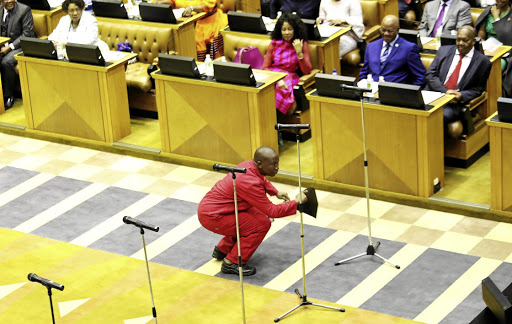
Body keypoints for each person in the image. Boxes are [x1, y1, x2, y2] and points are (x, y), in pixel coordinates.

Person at [197, 146, 308, 276]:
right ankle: (232, 263)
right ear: (260, 163)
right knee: (261, 224)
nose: (277, 167)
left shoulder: (248, 165)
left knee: (255, 215)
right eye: (274, 164)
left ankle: (223, 249)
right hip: (213, 217)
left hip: (220, 210)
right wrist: (296, 203)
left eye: (277, 163)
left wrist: (275, 192)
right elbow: (273, 211)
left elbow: (261, 179)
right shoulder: (249, 182)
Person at [425, 26, 492, 138]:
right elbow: (430, 75)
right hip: (434, 95)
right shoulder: (444, 51)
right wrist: (445, 92)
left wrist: (461, 95)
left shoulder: (483, 62)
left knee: (437, 116)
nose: (460, 43)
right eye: (458, 39)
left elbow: (478, 89)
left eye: (465, 40)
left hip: (454, 104)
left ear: (473, 41)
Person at [262, 13, 312, 117]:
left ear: (295, 30)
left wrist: (299, 53)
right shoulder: (274, 43)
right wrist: (277, 80)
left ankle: (275, 120)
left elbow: (307, 71)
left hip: (290, 75)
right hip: (273, 74)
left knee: (283, 89)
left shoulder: (301, 43)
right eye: (283, 29)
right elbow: (265, 67)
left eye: (290, 29)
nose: (287, 32)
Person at [359, 15, 425, 86]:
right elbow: (364, 73)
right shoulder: (370, 46)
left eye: (390, 31)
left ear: (397, 30)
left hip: (395, 93)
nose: (386, 33)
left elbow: (420, 76)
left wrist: (409, 93)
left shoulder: (409, 48)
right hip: (371, 91)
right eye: (383, 30)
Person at [155, 0, 227, 61]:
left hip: (207, 21)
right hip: (182, 21)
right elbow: (172, 2)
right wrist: (161, 3)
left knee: (196, 39)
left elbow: (207, 6)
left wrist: (192, 8)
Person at [0, 0, 34, 109]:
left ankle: (8, 96)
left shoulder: (24, 10)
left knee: (6, 62)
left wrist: (9, 47)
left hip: (21, 45)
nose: (10, 1)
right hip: (3, 44)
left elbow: (27, 34)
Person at [475, 0, 512, 97]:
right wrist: (483, 46)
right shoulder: (489, 11)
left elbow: (507, 38)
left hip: (506, 54)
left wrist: (496, 18)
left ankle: (493, 98)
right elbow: (481, 35)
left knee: (493, 66)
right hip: (487, 50)